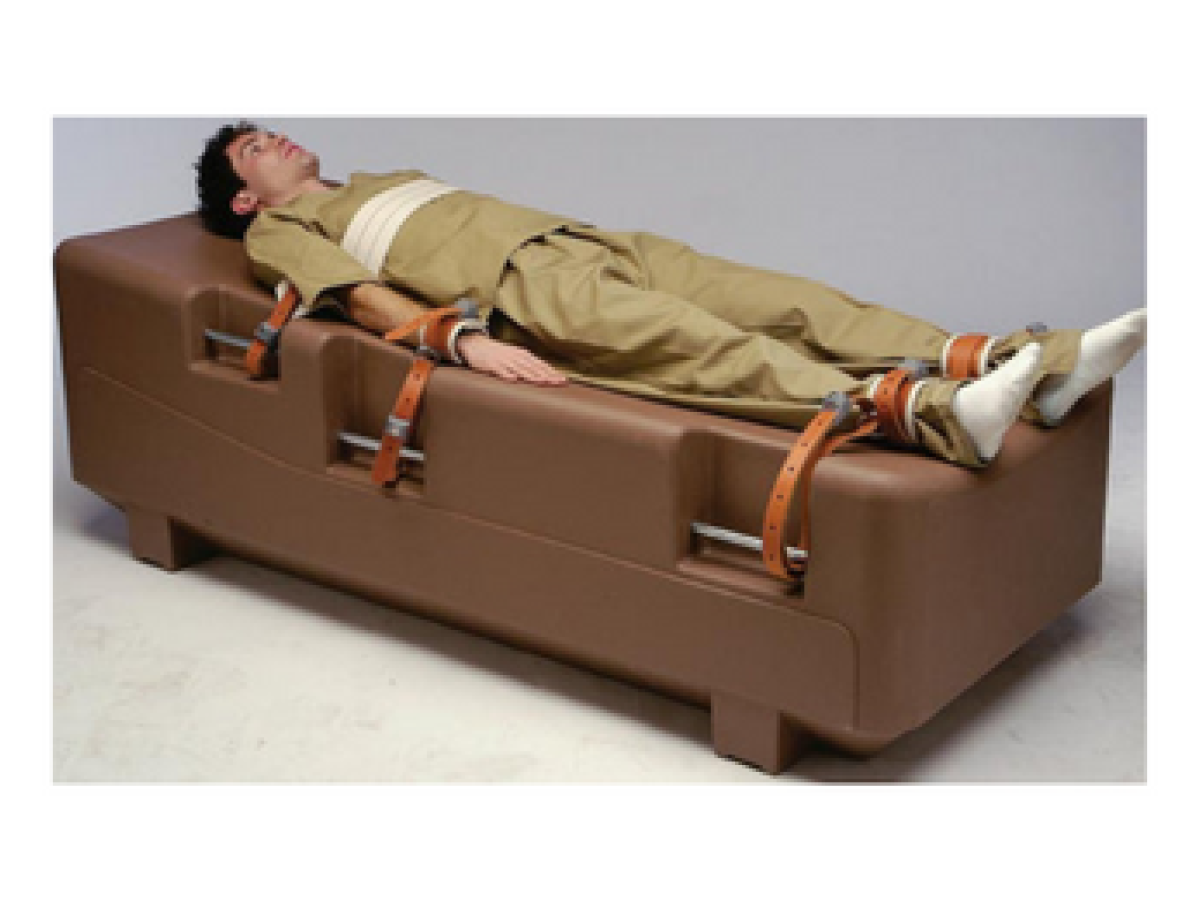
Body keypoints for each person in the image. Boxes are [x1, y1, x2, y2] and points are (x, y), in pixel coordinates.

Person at [195, 121, 1146, 468]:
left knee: (795, 302)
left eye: (271, 131)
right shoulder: (280, 234)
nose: (278, 139)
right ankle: (939, 417)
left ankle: (1037, 366)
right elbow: (362, 299)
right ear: (244, 197)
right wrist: (462, 343)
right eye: (254, 148)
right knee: (716, 351)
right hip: (529, 293)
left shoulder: (376, 178)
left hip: (594, 243)